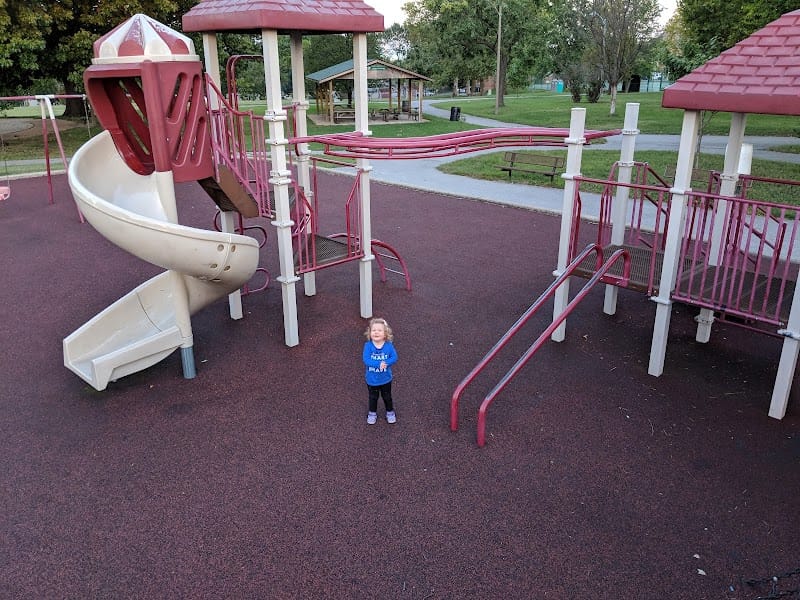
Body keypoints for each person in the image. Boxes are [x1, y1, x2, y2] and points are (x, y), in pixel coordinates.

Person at [362, 317, 398, 425]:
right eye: (373, 330)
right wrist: (379, 364)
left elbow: (394, 357)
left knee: (387, 396)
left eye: (379, 330)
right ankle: (372, 413)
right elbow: (366, 360)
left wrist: (386, 362)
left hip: (385, 379)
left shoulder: (388, 346)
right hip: (372, 380)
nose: (376, 332)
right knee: (373, 397)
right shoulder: (368, 346)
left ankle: (390, 412)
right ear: (370, 332)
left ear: (385, 333)